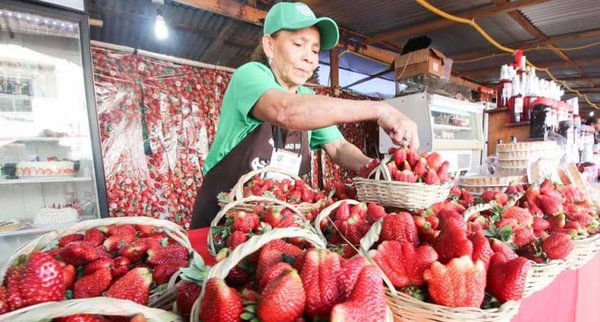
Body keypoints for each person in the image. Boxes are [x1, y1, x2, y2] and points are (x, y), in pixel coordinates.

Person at [190, 2, 419, 229]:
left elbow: (339, 147)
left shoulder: (307, 97)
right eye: (299, 44)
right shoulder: (250, 75)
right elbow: (284, 111)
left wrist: (381, 171)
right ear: (269, 46)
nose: (309, 58)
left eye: (315, 50)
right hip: (223, 222)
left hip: (274, 223)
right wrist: (380, 109)